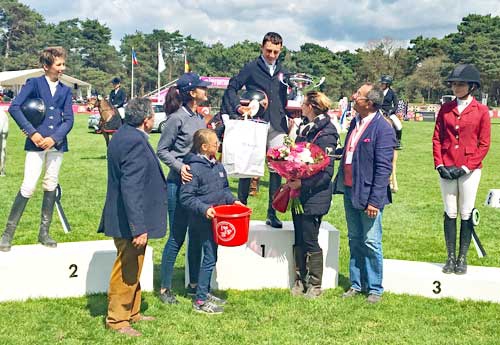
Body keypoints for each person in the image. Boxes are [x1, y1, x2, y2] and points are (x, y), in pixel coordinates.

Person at [98, 97, 167, 337]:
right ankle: (117, 319)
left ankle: (132, 312)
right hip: (130, 221)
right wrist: (138, 227)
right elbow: (132, 187)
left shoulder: (124, 135)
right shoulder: (134, 142)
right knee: (127, 268)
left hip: (126, 216)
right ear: (148, 120)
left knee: (134, 265)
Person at [0, 46, 74, 252]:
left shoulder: (66, 90)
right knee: (28, 185)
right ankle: (8, 234)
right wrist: (32, 132)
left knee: (50, 184)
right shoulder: (34, 84)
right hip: (35, 142)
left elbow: (68, 119)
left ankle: (44, 232)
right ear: (46, 66)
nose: (62, 68)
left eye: (62, 64)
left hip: (56, 144)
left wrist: (55, 138)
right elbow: (15, 107)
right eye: (58, 64)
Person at [333, 83, 396, 304]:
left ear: (369, 103)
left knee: (371, 241)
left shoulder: (383, 128)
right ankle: (357, 284)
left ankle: (375, 288)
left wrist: (375, 202)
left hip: (369, 195)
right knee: (355, 239)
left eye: (358, 95)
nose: (353, 96)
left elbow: (383, 169)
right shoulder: (355, 122)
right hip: (351, 190)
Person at [223, 31, 289, 228]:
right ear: (262, 47)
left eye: (276, 52)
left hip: (277, 125)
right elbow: (232, 87)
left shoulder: (283, 71)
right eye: (268, 50)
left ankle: (272, 213)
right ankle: (241, 209)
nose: (271, 55)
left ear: (280, 50)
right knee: (246, 167)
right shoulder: (251, 67)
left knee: (276, 170)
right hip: (254, 124)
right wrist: (237, 107)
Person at [157, 72, 211, 304]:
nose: (205, 91)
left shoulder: (199, 118)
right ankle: (165, 288)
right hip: (178, 184)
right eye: (202, 88)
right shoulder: (175, 119)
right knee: (177, 237)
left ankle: (194, 284)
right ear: (192, 93)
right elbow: (162, 150)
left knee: (196, 236)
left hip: (196, 188)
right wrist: (180, 168)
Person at [432, 64, 490, 275]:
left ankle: (462, 258)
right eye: (454, 84)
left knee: (466, 211)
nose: (456, 88)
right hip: (446, 166)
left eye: (461, 84)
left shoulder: (481, 111)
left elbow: (484, 144)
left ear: (471, 86)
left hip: (470, 168)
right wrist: (439, 163)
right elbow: (437, 137)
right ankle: (449, 257)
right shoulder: (445, 109)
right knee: (450, 211)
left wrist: (466, 166)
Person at [180, 128, 243, 314]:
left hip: (216, 219)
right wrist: (204, 209)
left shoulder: (218, 166)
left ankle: (203, 290)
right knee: (209, 257)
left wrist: (234, 201)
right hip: (203, 220)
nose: (218, 145)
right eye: (215, 143)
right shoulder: (194, 169)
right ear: (204, 146)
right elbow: (186, 197)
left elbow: (224, 190)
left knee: (209, 255)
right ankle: (200, 300)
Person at [288, 91, 339, 298]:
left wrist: (303, 182)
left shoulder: (327, 132)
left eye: (304, 103)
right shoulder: (304, 128)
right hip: (299, 192)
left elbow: (326, 172)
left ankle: (315, 284)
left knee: (310, 238)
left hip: (315, 194)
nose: (301, 106)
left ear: (311, 106)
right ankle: (300, 281)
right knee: (299, 236)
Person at [380, 75, 403, 150]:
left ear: (387, 85)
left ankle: (398, 141)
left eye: (383, 84)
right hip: (379, 111)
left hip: (389, 112)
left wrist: (391, 111)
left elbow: (396, 104)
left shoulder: (392, 93)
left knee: (398, 125)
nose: (381, 85)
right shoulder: (379, 92)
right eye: (381, 83)